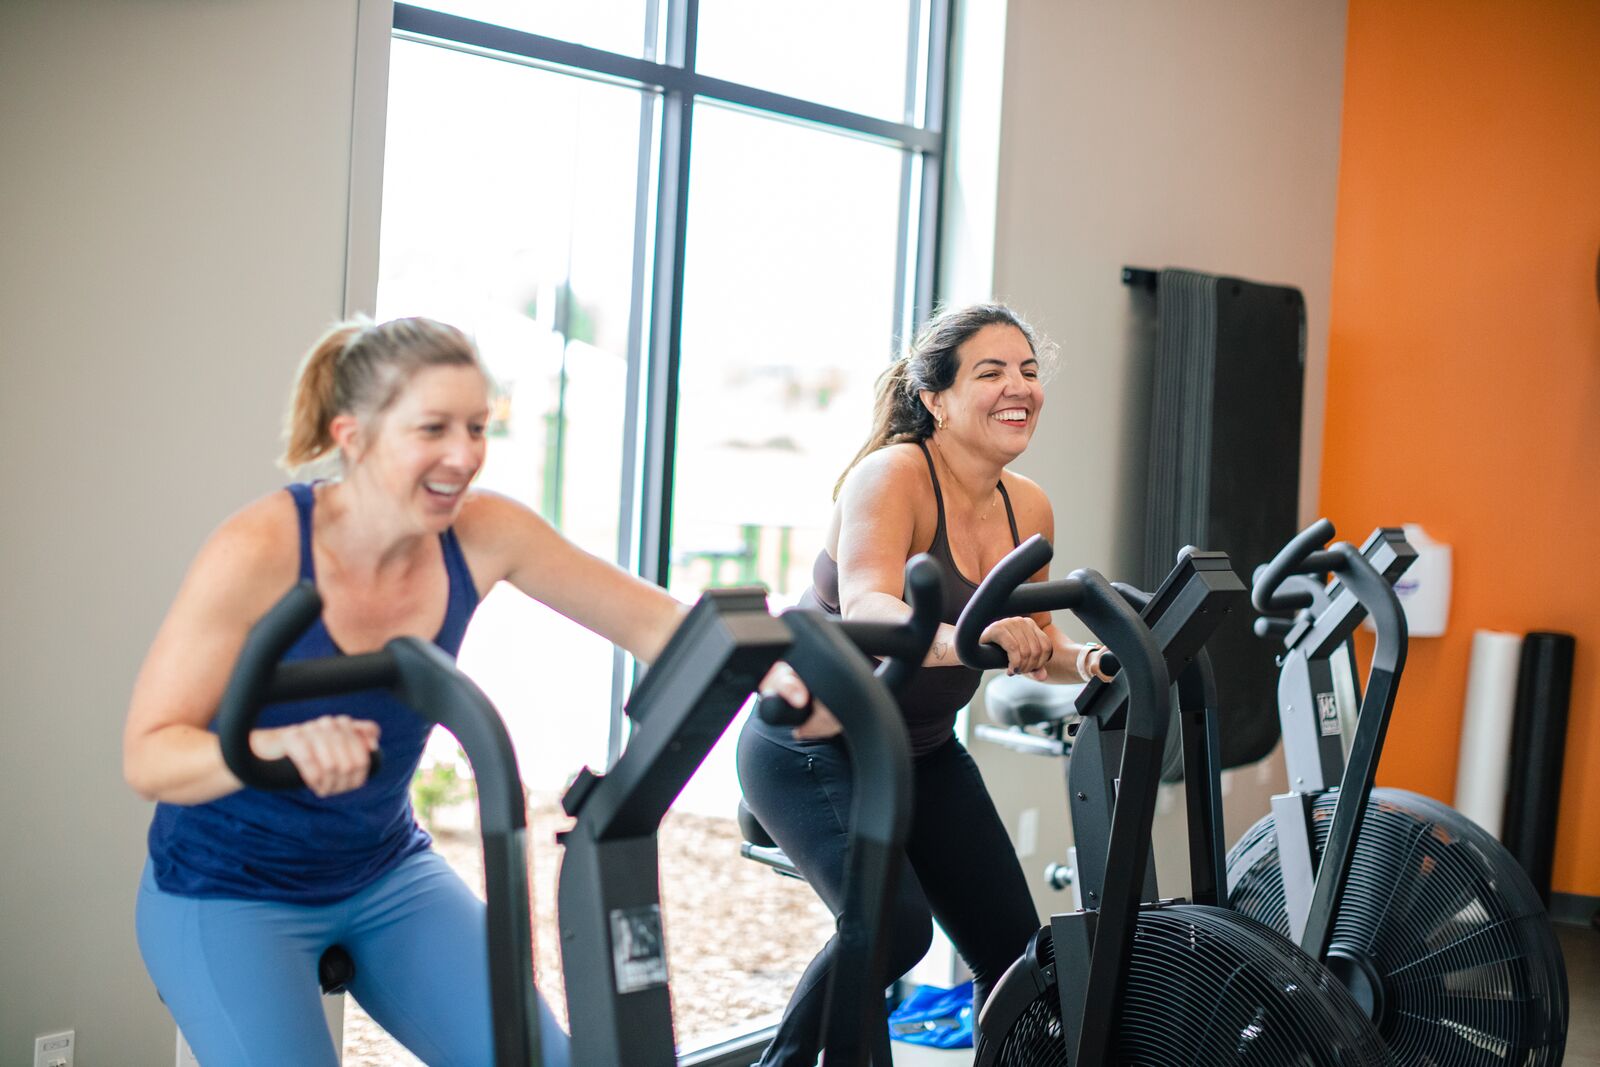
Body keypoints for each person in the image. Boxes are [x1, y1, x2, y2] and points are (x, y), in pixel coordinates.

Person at [123, 316, 686, 1066]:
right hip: (226, 889)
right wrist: (274, 746)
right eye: (433, 429)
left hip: (383, 870)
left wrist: (783, 661)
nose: (464, 456)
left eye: (478, 427)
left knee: (543, 1061)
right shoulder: (260, 548)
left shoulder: (484, 533)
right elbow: (149, 755)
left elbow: (662, 625)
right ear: (351, 435)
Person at [738, 303, 1113, 1065]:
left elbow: (1035, 637)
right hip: (814, 744)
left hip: (923, 750)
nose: (1020, 387)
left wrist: (1097, 662)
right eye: (992, 372)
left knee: (1016, 954)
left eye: (1030, 372)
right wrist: (971, 640)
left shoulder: (1028, 504)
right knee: (893, 928)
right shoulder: (894, 474)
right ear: (935, 398)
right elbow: (871, 604)